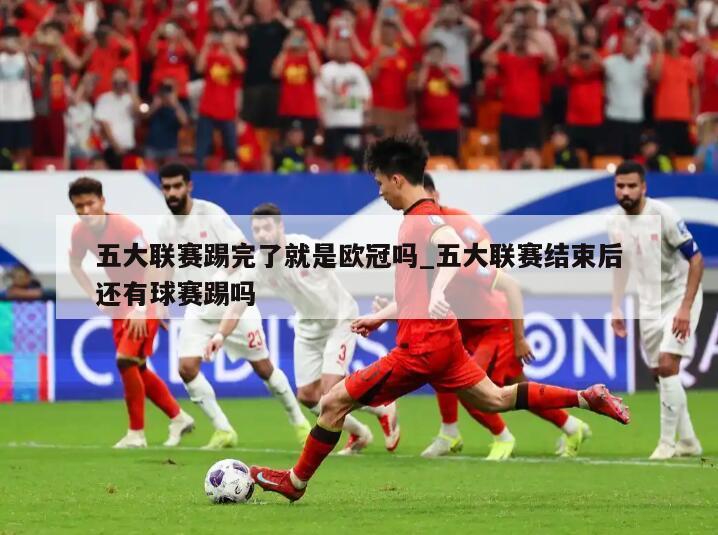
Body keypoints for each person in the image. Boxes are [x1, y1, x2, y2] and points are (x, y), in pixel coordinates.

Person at [239, 136, 630, 502]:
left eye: (380, 183)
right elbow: (419, 288)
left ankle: (295, 482)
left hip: (420, 350)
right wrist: (383, 316)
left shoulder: (422, 219)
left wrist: (441, 290)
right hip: (446, 343)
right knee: (496, 398)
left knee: (332, 403)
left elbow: (453, 249)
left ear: (397, 179)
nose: (380, 192)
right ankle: (585, 397)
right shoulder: (418, 217)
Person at [418, 174, 591, 460]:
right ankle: (572, 427)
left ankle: (501, 436)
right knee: (511, 387)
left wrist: (519, 336)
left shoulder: (458, 225)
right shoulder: (418, 232)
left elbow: (491, 261)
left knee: (468, 385)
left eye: (424, 200)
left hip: (493, 325)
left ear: (435, 196)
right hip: (462, 325)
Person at [207, 203, 401, 456]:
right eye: (257, 230)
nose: (262, 234)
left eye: (267, 228)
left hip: (339, 320)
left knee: (331, 390)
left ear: (280, 227)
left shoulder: (305, 249)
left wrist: (396, 257)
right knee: (308, 396)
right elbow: (236, 306)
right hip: (308, 327)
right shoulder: (257, 265)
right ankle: (360, 431)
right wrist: (220, 335)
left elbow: (354, 257)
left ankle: (383, 407)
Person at [156, 162, 311, 449]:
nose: (172, 192)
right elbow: (166, 264)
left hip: (233, 303)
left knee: (264, 368)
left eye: (177, 186)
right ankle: (223, 430)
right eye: (167, 187)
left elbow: (241, 250)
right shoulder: (165, 226)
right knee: (186, 368)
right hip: (198, 309)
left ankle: (299, 421)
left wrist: (216, 278)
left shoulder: (210, 214)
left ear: (189, 186)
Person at [67, 177, 193, 448]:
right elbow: (75, 264)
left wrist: (143, 307)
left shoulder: (124, 228)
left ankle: (136, 434)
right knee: (136, 366)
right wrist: (94, 295)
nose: (86, 211)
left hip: (144, 296)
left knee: (125, 360)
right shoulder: (79, 232)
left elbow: (153, 264)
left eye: (90, 203)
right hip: (119, 300)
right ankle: (178, 417)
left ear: (102, 201)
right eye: (79, 206)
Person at [610, 161, 703, 460]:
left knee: (667, 365)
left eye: (631, 186)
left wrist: (685, 307)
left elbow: (696, 259)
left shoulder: (663, 215)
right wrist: (615, 306)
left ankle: (666, 444)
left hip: (679, 296)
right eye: (620, 186)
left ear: (644, 187)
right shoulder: (615, 223)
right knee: (658, 373)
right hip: (649, 303)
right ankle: (689, 441)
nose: (625, 192)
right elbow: (621, 265)